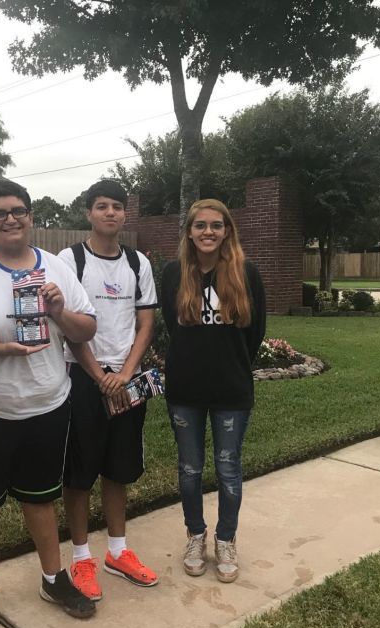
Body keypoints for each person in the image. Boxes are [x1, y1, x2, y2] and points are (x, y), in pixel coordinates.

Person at [0, 179, 98, 628]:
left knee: (41, 499)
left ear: (31, 215)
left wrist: (58, 310)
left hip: (47, 405)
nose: (10, 219)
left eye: (18, 210)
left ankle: (52, 578)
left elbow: (85, 330)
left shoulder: (56, 267)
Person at [58, 180, 159, 601]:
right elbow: (66, 324)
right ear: (88, 213)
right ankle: (82, 557)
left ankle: (118, 551)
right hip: (83, 378)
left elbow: (146, 323)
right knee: (79, 473)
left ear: (125, 214)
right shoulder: (71, 259)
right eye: (102, 206)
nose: (111, 213)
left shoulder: (138, 263)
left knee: (119, 467)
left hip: (127, 379)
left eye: (118, 206)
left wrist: (125, 373)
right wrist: (100, 376)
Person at [159, 198, 266, 584]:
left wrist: (230, 363)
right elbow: (174, 327)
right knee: (189, 470)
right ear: (189, 231)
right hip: (185, 390)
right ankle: (195, 535)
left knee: (228, 470)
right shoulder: (173, 273)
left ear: (227, 231)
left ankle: (225, 539)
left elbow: (255, 333)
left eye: (216, 225)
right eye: (200, 225)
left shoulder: (246, 273)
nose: (208, 232)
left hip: (231, 391)